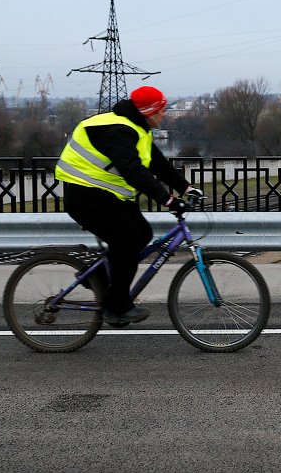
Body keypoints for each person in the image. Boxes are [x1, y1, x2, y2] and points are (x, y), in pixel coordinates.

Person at [55, 85, 195, 326]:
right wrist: (168, 200)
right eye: (162, 110)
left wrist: (186, 188)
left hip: (107, 194)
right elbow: (134, 172)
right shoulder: (119, 130)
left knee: (143, 234)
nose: (165, 114)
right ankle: (116, 306)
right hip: (85, 195)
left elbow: (158, 165)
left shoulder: (138, 128)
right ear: (150, 112)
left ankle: (97, 276)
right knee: (128, 240)